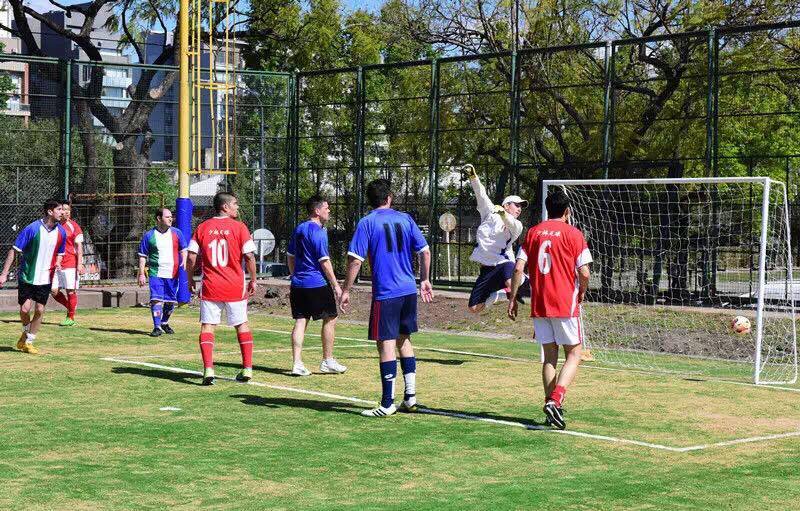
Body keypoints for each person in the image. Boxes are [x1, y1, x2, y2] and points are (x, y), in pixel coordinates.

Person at [341, 179, 434, 417]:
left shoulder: (367, 222)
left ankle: (387, 403)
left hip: (386, 293)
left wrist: (346, 289)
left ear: (370, 200)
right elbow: (425, 251)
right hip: (408, 290)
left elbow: (355, 260)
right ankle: (410, 397)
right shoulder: (406, 219)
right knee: (404, 340)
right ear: (389, 198)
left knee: (386, 344)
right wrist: (424, 279)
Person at [508, 189, 592, 430]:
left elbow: (518, 268)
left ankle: (550, 408)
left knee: (549, 357)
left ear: (547, 209)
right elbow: (584, 272)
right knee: (574, 354)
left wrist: (512, 298)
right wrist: (582, 290)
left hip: (540, 304)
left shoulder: (533, 233)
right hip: (564, 303)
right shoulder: (574, 234)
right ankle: (556, 400)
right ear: (567, 211)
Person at [186, 192, 258, 385]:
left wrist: (189, 279)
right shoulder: (240, 227)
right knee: (241, 324)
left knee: (208, 326)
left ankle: (208, 369)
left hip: (211, 286)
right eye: (235, 203)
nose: (237, 207)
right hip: (235, 286)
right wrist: (253, 279)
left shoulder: (202, 227)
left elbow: (191, 257)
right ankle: (247, 368)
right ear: (225, 207)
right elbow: (249, 256)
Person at [287, 194, 347, 376]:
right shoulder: (318, 232)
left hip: (298, 284)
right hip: (316, 283)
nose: (329, 210)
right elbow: (325, 262)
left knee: (301, 320)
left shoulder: (299, 228)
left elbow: (290, 256)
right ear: (317, 210)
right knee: (330, 318)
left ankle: (297, 363)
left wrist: (295, 275)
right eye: (326, 208)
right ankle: (327, 361)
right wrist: (336, 286)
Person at [0, 199, 66, 354]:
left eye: (63, 209)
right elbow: (14, 250)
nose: (62, 212)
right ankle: (25, 332)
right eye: (59, 209)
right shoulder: (32, 229)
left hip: (46, 277)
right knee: (25, 309)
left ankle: (29, 341)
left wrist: (58, 262)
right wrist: (4, 274)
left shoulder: (61, 232)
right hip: (27, 276)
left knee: (40, 309)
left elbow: (60, 253)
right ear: (50, 211)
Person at [464, 163, 529, 313]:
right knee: (474, 308)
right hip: (487, 267)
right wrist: (473, 177)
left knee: (512, 281)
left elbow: (511, 222)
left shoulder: (517, 225)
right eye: (517, 205)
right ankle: (500, 294)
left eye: (521, 206)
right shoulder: (489, 212)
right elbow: (481, 194)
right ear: (506, 205)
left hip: (503, 263)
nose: (519, 209)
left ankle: (526, 280)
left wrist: (503, 214)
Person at [138, 208, 189, 337]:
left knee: (170, 301)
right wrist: (141, 273)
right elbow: (142, 256)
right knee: (156, 299)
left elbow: (184, 248)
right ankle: (157, 327)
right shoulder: (149, 235)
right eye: (167, 217)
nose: (170, 219)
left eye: (171, 216)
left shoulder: (177, 233)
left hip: (173, 273)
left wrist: (184, 259)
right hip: (156, 273)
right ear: (159, 218)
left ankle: (164, 322)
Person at [50, 203, 85, 326]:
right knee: (53, 291)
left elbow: (79, 247)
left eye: (68, 210)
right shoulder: (54, 226)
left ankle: (70, 318)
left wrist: (80, 264)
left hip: (70, 263)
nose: (66, 212)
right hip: (57, 264)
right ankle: (71, 308)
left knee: (70, 291)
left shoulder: (74, 226)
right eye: (63, 209)